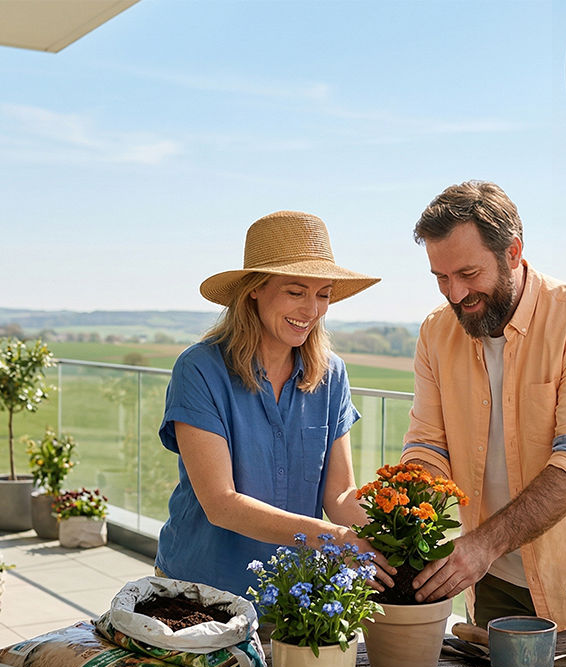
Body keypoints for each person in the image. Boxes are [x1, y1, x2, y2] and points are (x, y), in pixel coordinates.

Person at [401, 181, 566, 630]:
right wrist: (411, 516)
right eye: (441, 278)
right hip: (491, 579)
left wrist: (481, 545)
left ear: (512, 252)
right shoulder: (435, 333)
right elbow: (427, 445)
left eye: (468, 274)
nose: (455, 294)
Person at [155, 210, 392, 599]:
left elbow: (340, 494)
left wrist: (393, 542)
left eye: (323, 295)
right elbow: (221, 504)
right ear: (255, 288)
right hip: (199, 592)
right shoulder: (199, 369)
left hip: (292, 597)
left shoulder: (331, 375)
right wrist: (333, 538)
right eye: (295, 292)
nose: (311, 311)